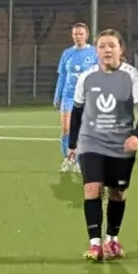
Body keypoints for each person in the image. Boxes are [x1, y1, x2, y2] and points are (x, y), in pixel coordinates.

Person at [68, 29, 138, 261]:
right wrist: (72, 143)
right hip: (91, 142)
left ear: (120, 49)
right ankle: (94, 244)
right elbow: (77, 111)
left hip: (120, 145)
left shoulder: (131, 75)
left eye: (111, 45)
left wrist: (137, 136)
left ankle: (111, 239)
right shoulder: (86, 77)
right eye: (102, 46)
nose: (107, 50)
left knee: (117, 193)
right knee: (92, 188)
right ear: (96, 50)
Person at [55, 23, 99, 173]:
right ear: (72, 36)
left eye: (81, 34)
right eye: (75, 34)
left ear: (86, 35)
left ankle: (80, 160)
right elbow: (62, 76)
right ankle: (68, 159)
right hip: (68, 96)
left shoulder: (94, 53)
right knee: (66, 129)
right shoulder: (67, 53)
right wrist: (57, 96)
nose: (78, 36)